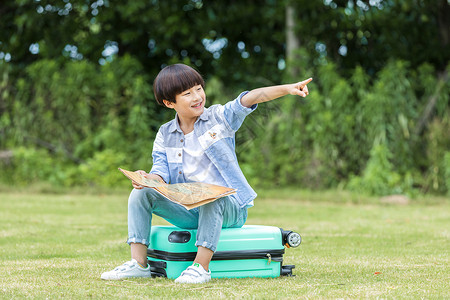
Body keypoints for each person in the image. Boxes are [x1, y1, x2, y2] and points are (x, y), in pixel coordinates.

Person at [101, 63, 312, 283]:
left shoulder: (219, 117)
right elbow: (160, 173)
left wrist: (288, 88)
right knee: (140, 194)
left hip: (229, 207)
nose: (197, 96)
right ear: (169, 102)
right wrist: (147, 180)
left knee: (211, 196)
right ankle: (139, 264)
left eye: (199, 88)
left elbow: (251, 98)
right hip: (189, 208)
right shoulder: (165, 133)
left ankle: (200, 268)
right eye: (187, 93)